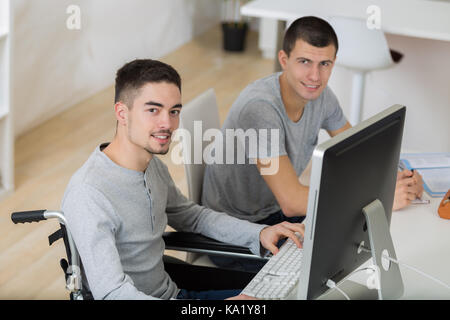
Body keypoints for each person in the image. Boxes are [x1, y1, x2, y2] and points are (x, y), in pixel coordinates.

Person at [61, 59, 305, 300]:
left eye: (174, 111)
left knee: (290, 288)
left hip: (174, 291)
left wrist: (259, 233)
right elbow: (111, 293)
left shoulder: (152, 166)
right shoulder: (89, 193)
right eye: (153, 110)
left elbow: (192, 217)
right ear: (122, 113)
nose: (167, 124)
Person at [201, 16, 423, 268]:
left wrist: (400, 177)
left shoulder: (321, 95)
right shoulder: (260, 108)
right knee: (336, 265)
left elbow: (358, 153)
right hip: (236, 232)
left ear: (333, 63)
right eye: (304, 62)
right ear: (284, 60)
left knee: (357, 245)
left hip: (275, 217)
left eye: (324, 63)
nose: (315, 76)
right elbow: (292, 199)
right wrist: (380, 197)